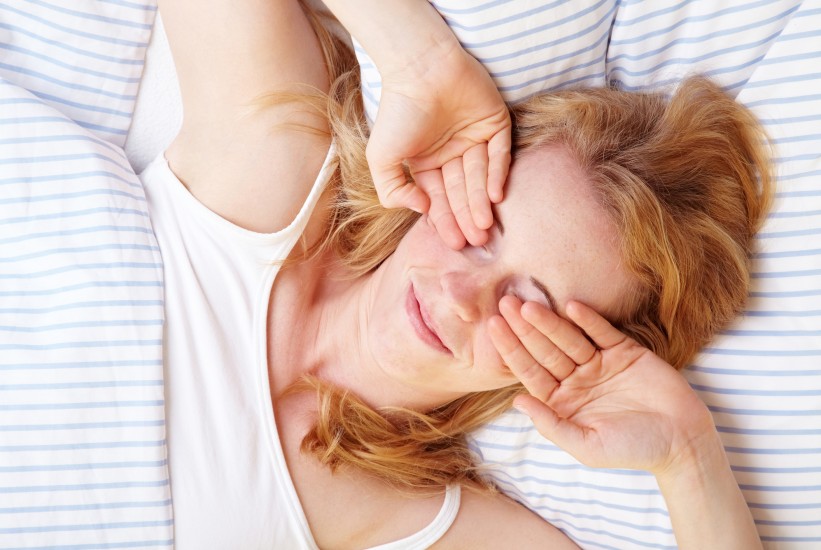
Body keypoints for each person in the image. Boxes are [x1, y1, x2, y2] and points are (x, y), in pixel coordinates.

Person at [144, 0, 773, 547]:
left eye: (528, 307)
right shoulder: (275, 162)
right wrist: (421, 63)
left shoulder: (413, 516)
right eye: (482, 232)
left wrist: (690, 458)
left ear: (580, 358)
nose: (463, 296)